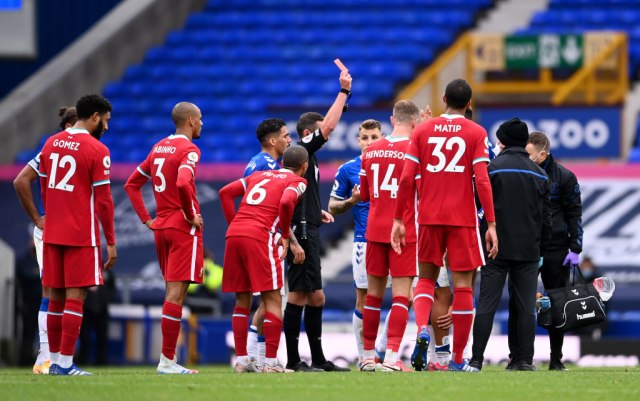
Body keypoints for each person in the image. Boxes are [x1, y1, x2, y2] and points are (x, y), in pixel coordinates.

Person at [391, 78, 497, 372]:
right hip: (462, 219)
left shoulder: (422, 130)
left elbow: (406, 177)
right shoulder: (476, 132)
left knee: (426, 279)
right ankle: (458, 359)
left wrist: (399, 218)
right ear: (469, 103)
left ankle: (421, 328)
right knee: (463, 287)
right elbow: (482, 180)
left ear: (444, 99)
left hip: (428, 216)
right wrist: (491, 223)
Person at [37, 94, 116, 375]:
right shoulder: (97, 150)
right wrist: (111, 241)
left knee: (55, 299)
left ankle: (53, 362)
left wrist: (50, 216)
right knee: (75, 298)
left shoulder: (50, 143)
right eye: (105, 120)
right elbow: (104, 201)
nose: (106, 127)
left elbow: (43, 187)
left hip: (53, 232)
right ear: (94, 117)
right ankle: (65, 364)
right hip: (81, 234)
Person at [124, 101, 204, 374]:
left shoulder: (158, 147)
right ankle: (167, 361)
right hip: (182, 227)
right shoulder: (189, 149)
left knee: (172, 292)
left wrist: (147, 219)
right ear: (191, 120)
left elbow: (132, 184)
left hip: (162, 226)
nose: (202, 123)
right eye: (200, 118)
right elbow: (182, 182)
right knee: (176, 294)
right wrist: (190, 214)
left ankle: (168, 361)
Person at [283, 70, 352, 372]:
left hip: (308, 226)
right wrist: (344, 92)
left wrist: (316, 210)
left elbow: (300, 193)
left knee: (315, 297)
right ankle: (293, 360)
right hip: (300, 232)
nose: (327, 134)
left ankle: (319, 360)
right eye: (320, 130)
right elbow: (330, 125)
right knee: (299, 295)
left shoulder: (306, 159)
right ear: (308, 133)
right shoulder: (302, 150)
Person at [470, 119, 552, 371]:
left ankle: (476, 360)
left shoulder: (491, 169)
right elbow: (547, 219)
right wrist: (541, 251)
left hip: (494, 248)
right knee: (526, 308)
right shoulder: (540, 173)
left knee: (487, 305)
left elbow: (477, 207)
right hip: (528, 250)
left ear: (503, 142)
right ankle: (524, 360)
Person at [219, 145, 309, 373]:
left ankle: (242, 360)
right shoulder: (297, 181)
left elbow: (225, 193)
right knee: (273, 300)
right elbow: (287, 202)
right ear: (304, 166)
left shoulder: (258, 175)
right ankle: (270, 363)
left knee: (242, 300)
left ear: (282, 163)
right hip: (260, 237)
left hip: (234, 235)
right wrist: (285, 235)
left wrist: (235, 223)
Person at [358, 100, 423, 372]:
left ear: (392, 120)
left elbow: (363, 195)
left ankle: (366, 357)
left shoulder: (370, 150)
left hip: (374, 229)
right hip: (404, 231)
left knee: (372, 297)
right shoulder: (415, 150)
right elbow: (421, 192)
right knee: (400, 297)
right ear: (415, 122)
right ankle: (392, 356)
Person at [13, 106, 78, 374]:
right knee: (51, 291)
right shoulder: (51, 151)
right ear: (70, 126)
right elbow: (20, 181)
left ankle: (56, 357)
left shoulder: (77, 151)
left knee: (64, 292)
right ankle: (44, 356)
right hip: (52, 229)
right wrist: (37, 218)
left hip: (69, 229)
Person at [511, 130, 582, 371]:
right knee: (519, 303)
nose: (525, 157)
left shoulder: (565, 177)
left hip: (555, 249)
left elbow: (574, 213)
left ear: (542, 154)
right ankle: (518, 357)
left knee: (557, 303)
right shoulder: (522, 173)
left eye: (529, 154)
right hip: (527, 246)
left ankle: (556, 359)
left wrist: (575, 248)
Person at [243, 118, 302, 371]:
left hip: (260, 235)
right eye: (285, 136)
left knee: (267, 301)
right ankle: (256, 357)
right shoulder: (266, 165)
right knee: (272, 299)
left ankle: (255, 358)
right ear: (272, 140)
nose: (289, 140)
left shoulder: (259, 163)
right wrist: (290, 239)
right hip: (263, 238)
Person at [327, 119, 382, 367]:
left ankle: (382, 348)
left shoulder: (396, 162)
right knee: (364, 299)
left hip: (395, 240)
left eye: (374, 137)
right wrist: (351, 201)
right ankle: (364, 357)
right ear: (358, 141)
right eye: (365, 138)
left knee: (409, 296)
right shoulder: (348, 169)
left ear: (382, 138)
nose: (369, 142)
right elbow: (332, 207)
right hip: (365, 242)